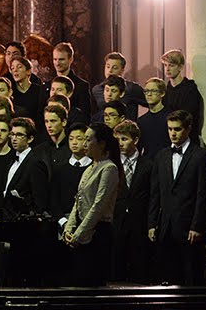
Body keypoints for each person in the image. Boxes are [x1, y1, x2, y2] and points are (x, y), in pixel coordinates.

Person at [148, 109, 206, 286]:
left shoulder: (201, 156)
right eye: (169, 129)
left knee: (192, 278)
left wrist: (197, 225)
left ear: (188, 129)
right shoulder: (161, 156)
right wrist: (152, 223)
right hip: (166, 228)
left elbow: (203, 194)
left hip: (189, 228)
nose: (173, 133)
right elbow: (155, 193)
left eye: (177, 129)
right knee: (168, 278)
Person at [61, 122, 122, 286]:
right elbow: (78, 200)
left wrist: (79, 233)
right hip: (83, 229)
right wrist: (69, 227)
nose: (83, 144)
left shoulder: (109, 168)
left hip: (97, 231)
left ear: (101, 144)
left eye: (88, 140)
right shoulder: (89, 167)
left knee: (92, 282)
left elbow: (98, 205)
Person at [112, 119, 154, 283]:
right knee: (117, 271)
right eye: (118, 140)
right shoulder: (112, 165)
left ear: (135, 140)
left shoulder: (149, 165)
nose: (120, 144)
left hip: (140, 223)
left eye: (124, 139)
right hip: (117, 223)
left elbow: (152, 195)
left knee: (140, 270)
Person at [161, 50, 205, 135]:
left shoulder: (190, 89)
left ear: (180, 67)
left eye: (171, 65)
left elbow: (189, 117)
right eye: (165, 65)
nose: (167, 69)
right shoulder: (166, 90)